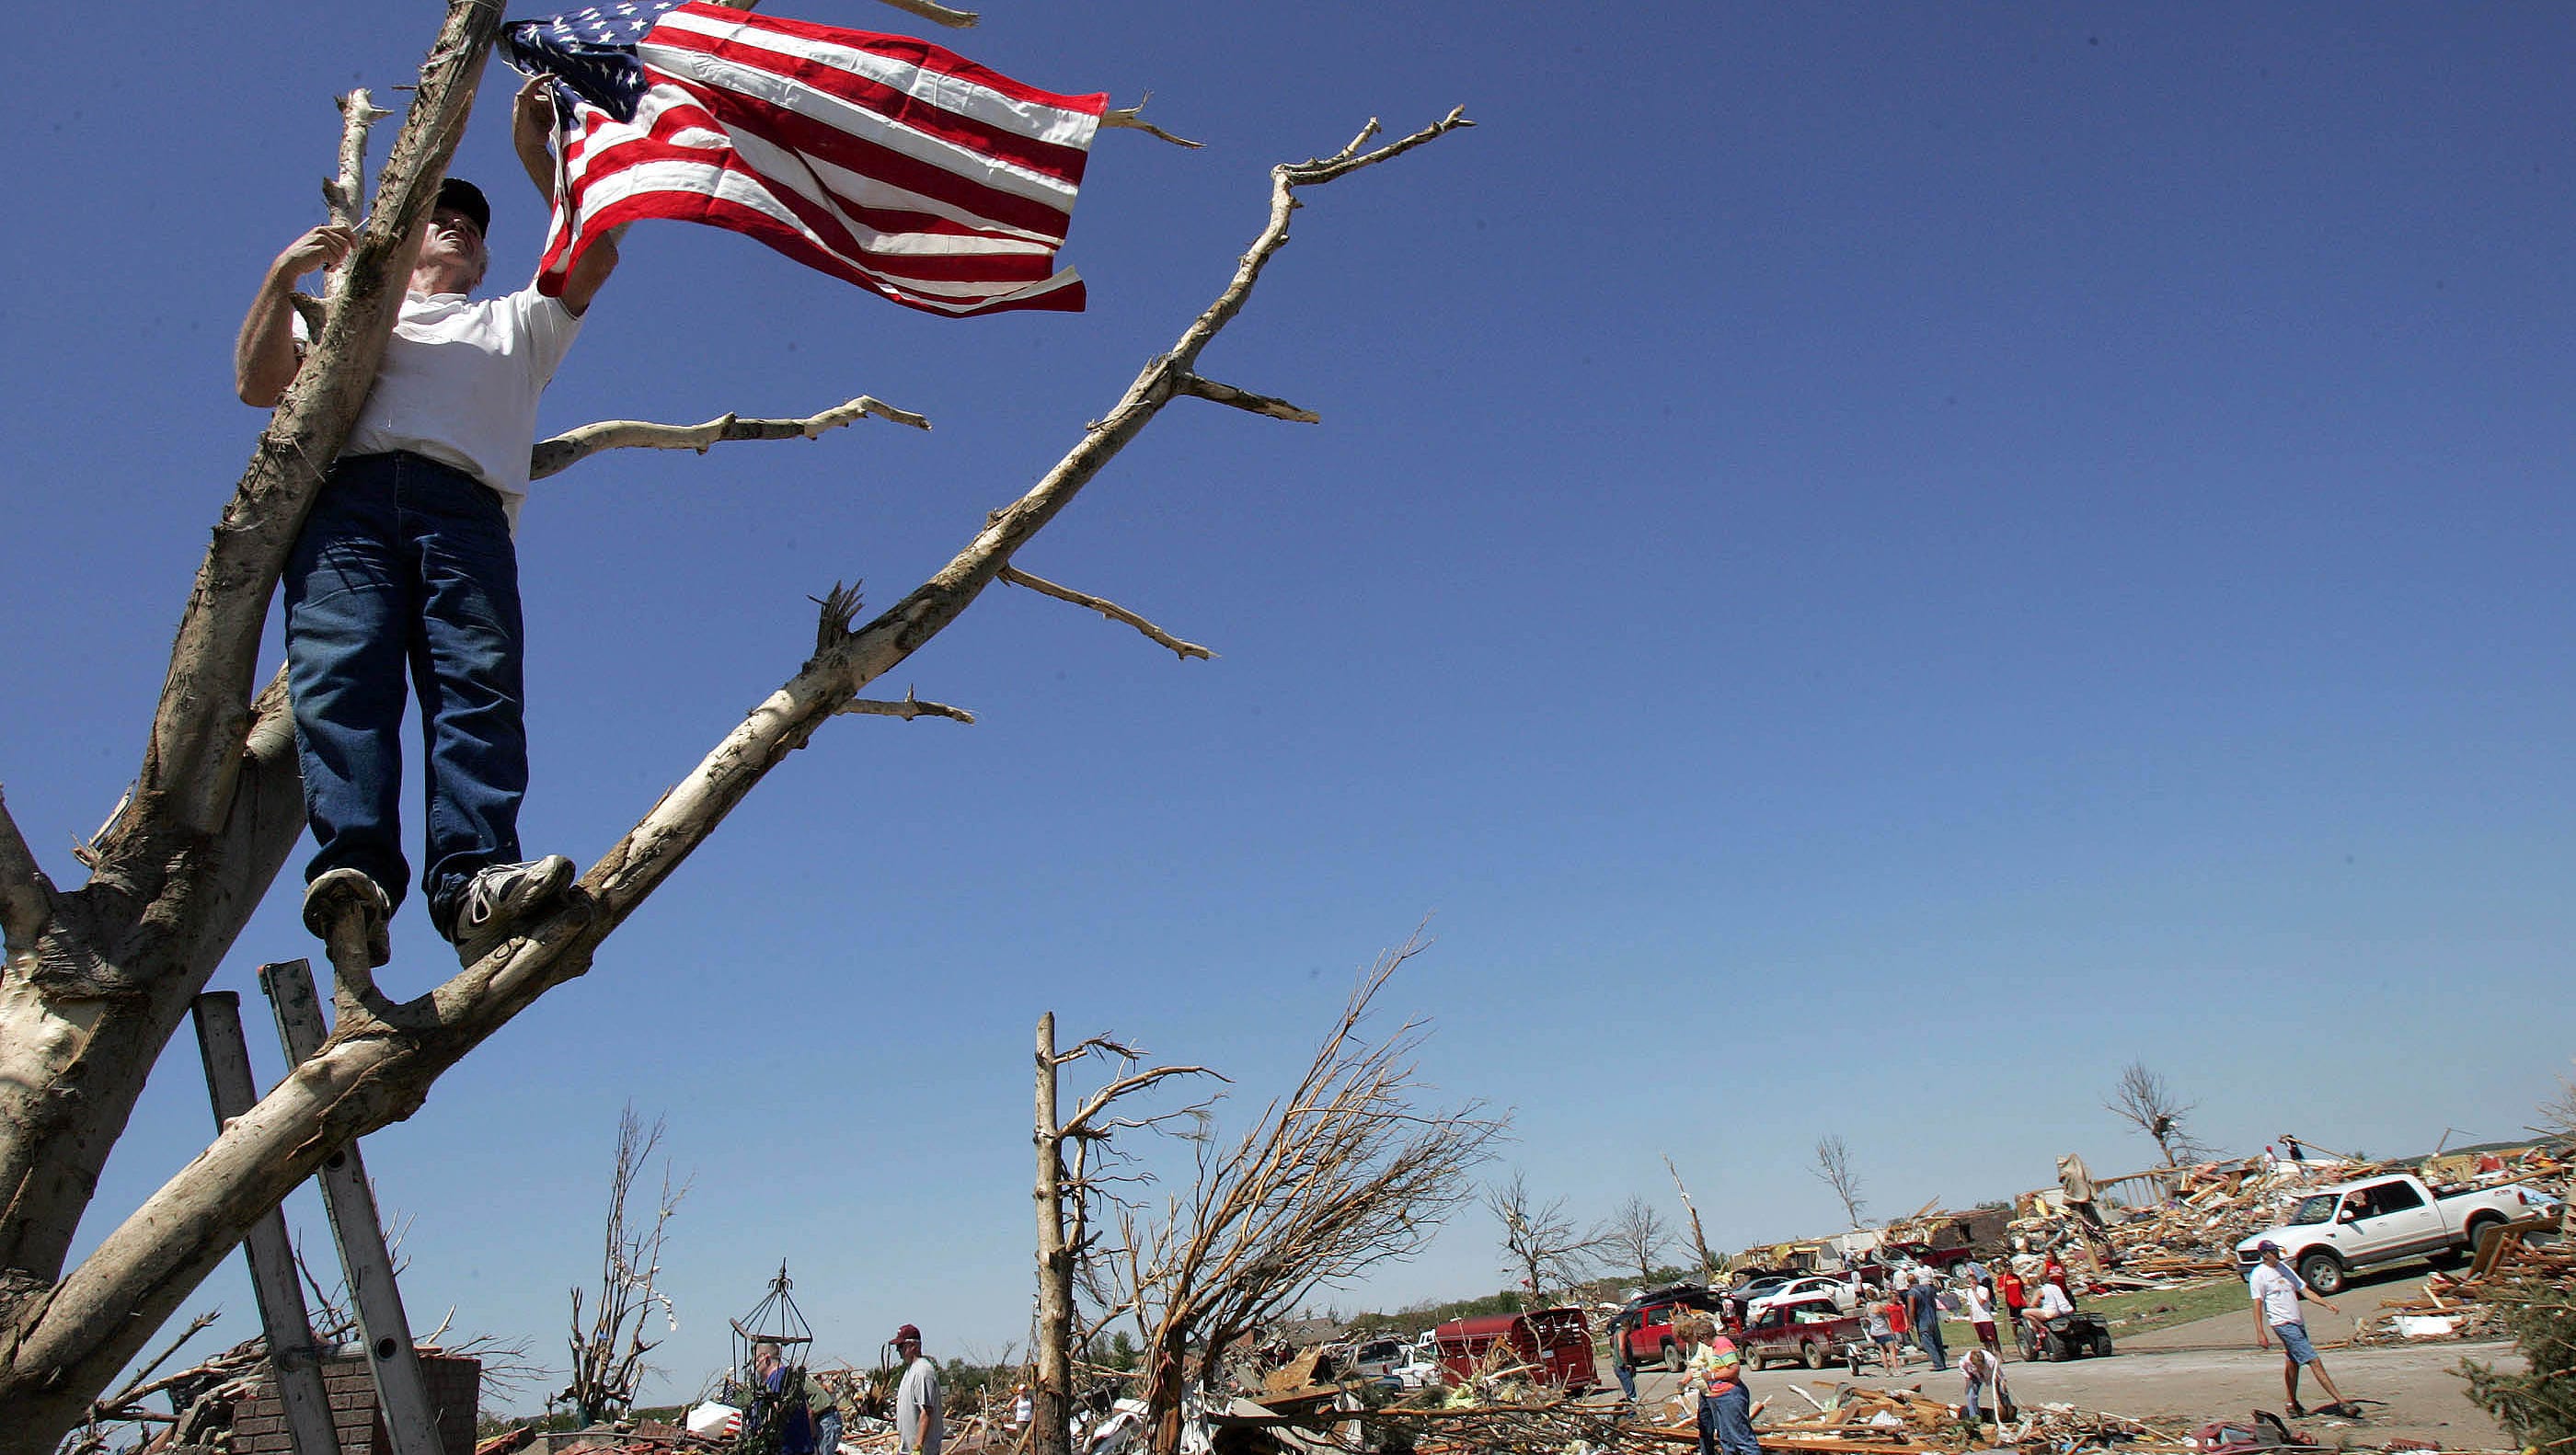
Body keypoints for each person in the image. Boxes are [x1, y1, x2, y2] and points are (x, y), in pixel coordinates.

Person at [237, 76, 624, 971]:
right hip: (349, 507)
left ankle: (474, 881)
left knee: (477, 691)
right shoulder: (349, 316)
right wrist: (280, 279)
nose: (456, 224)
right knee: (341, 681)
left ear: (486, 261)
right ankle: (356, 875)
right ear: (399, 237)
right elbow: (259, 386)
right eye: (438, 214)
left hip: (467, 513)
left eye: (473, 224)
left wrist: (537, 150)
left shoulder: (517, 325)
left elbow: (593, 249)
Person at [2248, 1242, 2353, 1417]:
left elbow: (2304, 1290)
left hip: (2297, 1321)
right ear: (2264, 1254)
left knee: (2293, 1362)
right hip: (2282, 1323)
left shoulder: (2284, 1269)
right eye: (2272, 1252)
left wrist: (2326, 1303)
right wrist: (2260, 1332)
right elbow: (2257, 1303)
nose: (2276, 1254)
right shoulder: (2259, 1274)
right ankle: (2341, 1401)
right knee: (2313, 1360)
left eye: (2276, 1251)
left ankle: (2291, 1404)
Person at [1677, 1315, 1756, 1455]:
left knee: (1741, 1437)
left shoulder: (1722, 1345)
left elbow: (1734, 1369)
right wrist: (1684, 1381)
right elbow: (1694, 1366)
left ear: (1704, 1336)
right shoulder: (1711, 1346)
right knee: (1725, 1437)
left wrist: (1711, 1376)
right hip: (1716, 1395)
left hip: (1729, 1395)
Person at [751, 1342, 817, 1455]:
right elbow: (808, 1410)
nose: (754, 1364)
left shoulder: (777, 1379)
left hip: (786, 1449)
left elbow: (773, 1413)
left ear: (764, 1357)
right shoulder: (789, 1378)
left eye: (755, 1359)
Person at [894, 1324, 944, 1455]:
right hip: (906, 1450)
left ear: (914, 1346)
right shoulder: (910, 1370)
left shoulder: (923, 1371)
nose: (897, 1351)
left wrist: (918, 1446)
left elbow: (926, 1411)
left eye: (901, 1346)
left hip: (922, 1450)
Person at [1906, 1270, 1948, 1372]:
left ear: (1908, 1283)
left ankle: (1938, 1364)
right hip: (1933, 1317)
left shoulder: (1912, 1293)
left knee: (1927, 1342)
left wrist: (1910, 1322)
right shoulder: (1928, 1288)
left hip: (1922, 1320)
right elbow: (1936, 1294)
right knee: (1937, 1341)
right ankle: (1942, 1362)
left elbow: (1911, 1309)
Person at [1959, 1345, 2007, 1426]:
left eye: (1980, 1365)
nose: (1979, 1367)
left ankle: (2006, 1413)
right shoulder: (1965, 1361)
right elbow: (1965, 1373)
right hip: (1974, 1376)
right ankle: (1975, 1418)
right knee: (1971, 1396)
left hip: (1990, 1374)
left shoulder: (1991, 1360)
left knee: (2003, 1392)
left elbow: (1999, 1375)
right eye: (1977, 1366)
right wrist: (1968, 1383)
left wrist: (2002, 1382)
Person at [1959, 1278, 2001, 1358]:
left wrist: (1975, 1292)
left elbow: (1982, 1302)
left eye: (1971, 1282)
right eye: (1969, 1283)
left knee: (1993, 1338)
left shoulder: (1983, 1290)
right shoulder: (1969, 1292)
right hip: (1977, 1319)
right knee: (1984, 1340)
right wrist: (1971, 1318)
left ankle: (2000, 1356)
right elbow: (1970, 1306)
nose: (1970, 1284)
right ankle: (1990, 1356)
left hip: (1986, 1318)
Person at [1863, 1294, 1899, 1374]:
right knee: (1892, 1351)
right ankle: (1896, 1370)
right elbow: (1887, 1315)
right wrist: (1891, 1330)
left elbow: (1864, 1315)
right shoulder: (1878, 1306)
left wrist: (1871, 1321)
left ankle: (1887, 1371)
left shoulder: (1868, 1306)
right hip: (1884, 1330)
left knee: (1882, 1351)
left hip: (1875, 1331)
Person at [1995, 1266, 2028, 1342]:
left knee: (2024, 1318)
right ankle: (2015, 1336)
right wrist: (2001, 1290)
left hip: (2020, 1301)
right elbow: (1999, 1289)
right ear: (2005, 1269)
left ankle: (2027, 1333)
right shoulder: (2003, 1278)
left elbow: (2022, 1287)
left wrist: (2025, 1296)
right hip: (2011, 1302)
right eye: (2008, 1268)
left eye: (2011, 1268)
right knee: (2014, 1321)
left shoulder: (2016, 1277)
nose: (2010, 1269)